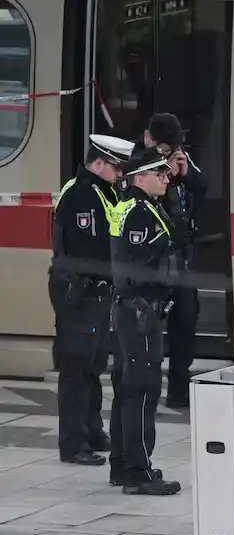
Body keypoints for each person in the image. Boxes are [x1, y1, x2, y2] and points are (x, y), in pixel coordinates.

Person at [50, 135, 134, 466]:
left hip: (97, 293)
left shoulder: (104, 191)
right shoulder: (82, 195)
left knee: (94, 364)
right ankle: (72, 443)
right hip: (78, 292)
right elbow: (92, 248)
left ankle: (92, 429)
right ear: (98, 163)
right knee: (76, 369)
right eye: (116, 167)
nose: (119, 174)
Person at [108, 150, 182, 495]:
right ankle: (138, 471)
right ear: (140, 177)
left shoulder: (137, 207)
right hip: (140, 311)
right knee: (142, 390)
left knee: (128, 388)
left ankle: (123, 465)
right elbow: (135, 265)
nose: (166, 178)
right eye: (160, 173)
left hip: (132, 310)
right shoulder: (138, 213)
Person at [139, 112, 207, 409]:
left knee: (185, 323)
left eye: (172, 149)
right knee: (146, 330)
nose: (167, 155)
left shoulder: (182, 159)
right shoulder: (137, 163)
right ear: (148, 139)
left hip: (181, 259)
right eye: (163, 149)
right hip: (152, 261)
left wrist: (184, 173)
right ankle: (144, 392)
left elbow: (202, 186)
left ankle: (178, 389)